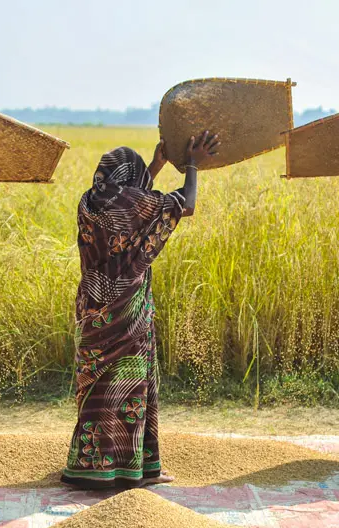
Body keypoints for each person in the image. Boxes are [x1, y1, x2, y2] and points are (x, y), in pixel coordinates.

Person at [61, 132, 220, 489]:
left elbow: (136, 199)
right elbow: (186, 203)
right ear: (131, 181)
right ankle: (136, 468)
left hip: (92, 311)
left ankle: (90, 466)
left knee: (97, 391)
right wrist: (192, 164)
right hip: (125, 312)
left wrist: (155, 165)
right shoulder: (131, 202)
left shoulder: (90, 201)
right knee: (131, 386)